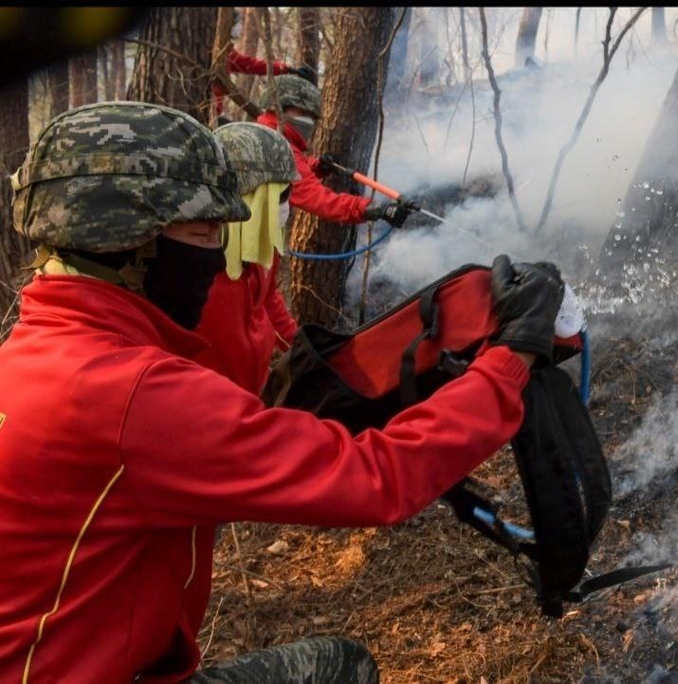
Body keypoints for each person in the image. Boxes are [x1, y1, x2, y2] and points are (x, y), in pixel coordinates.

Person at [0, 101, 564, 683]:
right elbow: (377, 480)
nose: (218, 254)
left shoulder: (32, 353)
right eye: (202, 232)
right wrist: (511, 357)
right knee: (341, 669)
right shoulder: (133, 393)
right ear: (125, 243)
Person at [196, 122, 301, 392]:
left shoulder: (263, 243)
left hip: (253, 387)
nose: (286, 205)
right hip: (210, 399)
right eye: (280, 194)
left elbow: (266, 299)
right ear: (246, 195)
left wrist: (299, 345)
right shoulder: (192, 266)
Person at [255, 74, 413, 230]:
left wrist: (317, 166)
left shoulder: (263, 137)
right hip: (248, 249)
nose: (308, 122)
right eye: (303, 113)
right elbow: (316, 198)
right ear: (279, 107)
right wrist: (374, 209)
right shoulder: (278, 149)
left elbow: (289, 171)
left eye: (312, 117)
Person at [212, 46, 316, 122]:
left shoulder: (225, 53)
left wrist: (288, 69)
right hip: (208, 114)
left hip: (214, 116)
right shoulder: (213, 50)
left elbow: (252, 65)